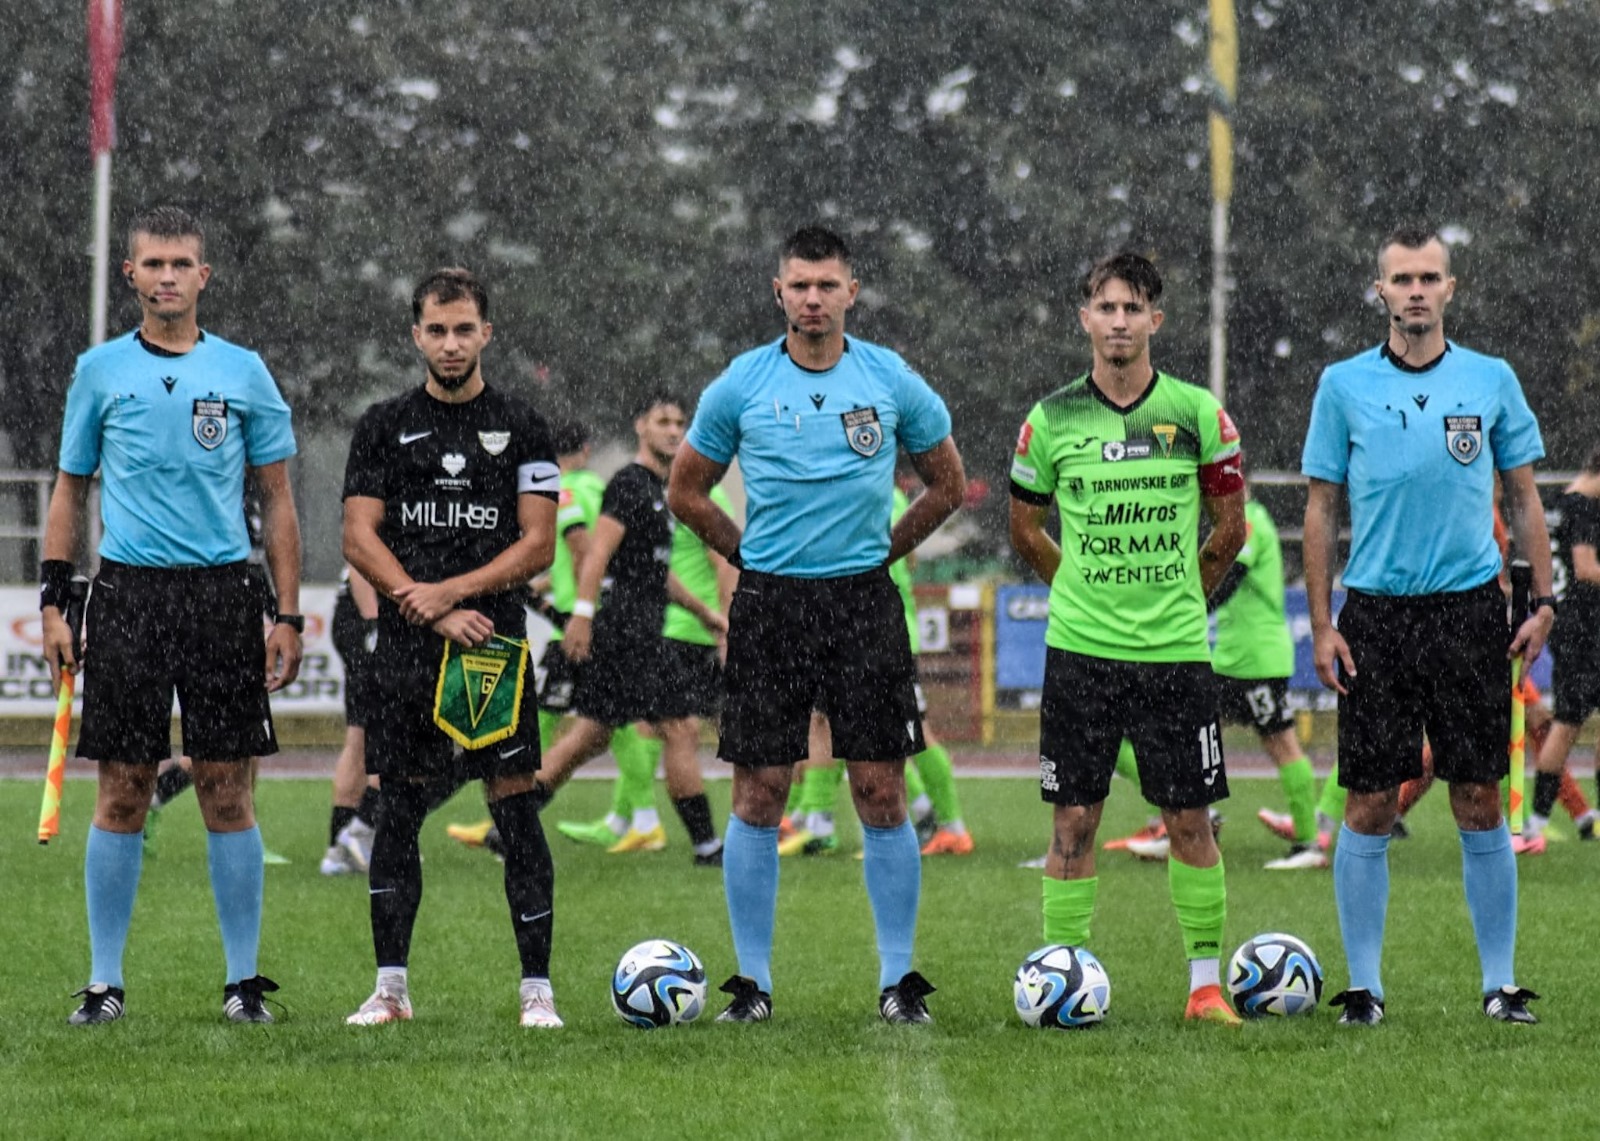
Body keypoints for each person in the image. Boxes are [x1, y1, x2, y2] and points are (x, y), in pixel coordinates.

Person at [669, 225, 967, 1024]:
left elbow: (948, 481)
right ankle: (753, 984)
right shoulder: (740, 384)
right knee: (760, 792)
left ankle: (899, 981)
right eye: (798, 284)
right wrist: (746, 554)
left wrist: (885, 549)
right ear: (778, 291)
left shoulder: (889, 377)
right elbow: (685, 489)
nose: (812, 298)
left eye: (826, 284)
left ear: (851, 292)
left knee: (879, 788)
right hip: (771, 605)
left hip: (863, 601)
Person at [43, 205, 303, 1025]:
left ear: (203, 276)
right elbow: (70, 488)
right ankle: (105, 981)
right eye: (152, 263)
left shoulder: (243, 371)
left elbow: (278, 498)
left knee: (227, 786)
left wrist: (287, 613)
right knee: (122, 787)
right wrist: (56, 596)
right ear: (130, 276)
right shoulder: (98, 371)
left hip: (223, 595)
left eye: (180, 263)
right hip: (128, 594)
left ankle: (241, 982)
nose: (166, 276)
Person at [1302, 225, 1554, 1026]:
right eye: (1401, 278)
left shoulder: (1492, 379)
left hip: (1470, 612)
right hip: (1375, 615)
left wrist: (1543, 601)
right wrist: (1321, 622)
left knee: (1480, 796)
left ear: (1452, 287)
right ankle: (1364, 988)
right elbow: (1319, 508)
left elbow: (1524, 496)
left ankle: (1501, 984)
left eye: (1429, 277)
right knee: (1372, 801)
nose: (1415, 290)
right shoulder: (1342, 385)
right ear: (1379, 290)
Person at [1008, 251, 1247, 1025]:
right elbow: (1025, 526)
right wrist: (1080, 590)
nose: (1118, 321)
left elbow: (1229, 530)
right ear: (1085, 318)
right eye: (1105, 307)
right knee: (1073, 820)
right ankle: (1060, 976)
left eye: (1132, 308)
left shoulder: (1198, 414)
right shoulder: (1048, 419)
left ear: (1156, 321)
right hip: (1080, 652)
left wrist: (1184, 596)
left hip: (1175, 653)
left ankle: (1205, 988)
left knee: (1189, 819)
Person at [341, 267, 563, 1028]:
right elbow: (358, 536)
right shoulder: (380, 425)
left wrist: (458, 593)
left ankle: (537, 991)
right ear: (416, 336)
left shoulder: (524, 425)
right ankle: (390, 989)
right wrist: (427, 605)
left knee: (516, 807)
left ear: (486, 333)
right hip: (409, 646)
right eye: (436, 330)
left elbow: (539, 546)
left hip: (489, 649)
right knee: (398, 807)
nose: (450, 343)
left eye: (464, 328)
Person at [445, 419, 664, 857]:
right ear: (584, 449)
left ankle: (516, 815)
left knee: (590, 719)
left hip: (580, 622)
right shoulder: (596, 487)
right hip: (591, 614)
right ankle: (515, 816)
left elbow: (583, 551)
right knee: (597, 719)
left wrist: (578, 612)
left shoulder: (563, 491)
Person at [526, 394, 728, 865]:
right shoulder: (630, 484)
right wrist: (581, 613)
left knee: (590, 735)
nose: (674, 431)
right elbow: (597, 552)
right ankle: (707, 846)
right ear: (641, 427)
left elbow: (657, 572)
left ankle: (511, 823)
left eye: (680, 422)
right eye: (663, 421)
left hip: (634, 627)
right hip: (628, 632)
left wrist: (704, 614)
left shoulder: (662, 492)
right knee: (679, 727)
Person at [1209, 488, 1326, 870]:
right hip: (1231, 658)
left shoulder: (1248, 520)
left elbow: (1227, 580)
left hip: (1255, 659)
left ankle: (1309, 842)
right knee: (1188, 734)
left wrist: (1188, 605)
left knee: (1281, 744)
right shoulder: (1232, 521)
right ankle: (1196, 824)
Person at [1522, 446, 1600, 847]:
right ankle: (1535, 820)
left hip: (1572, 625)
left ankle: (1556, 818)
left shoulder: (1560, 502)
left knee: (1570, 721)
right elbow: (1586, 569)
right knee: (1567, 723)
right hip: (1582, 629)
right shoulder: (1584, 507)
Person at [321, 563, 381, 876]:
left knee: (361, 733)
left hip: (356, 612)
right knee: (388, 732)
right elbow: (361, 560)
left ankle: (341, 847)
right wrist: (374, 623)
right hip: (366, 612)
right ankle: (358, 832)